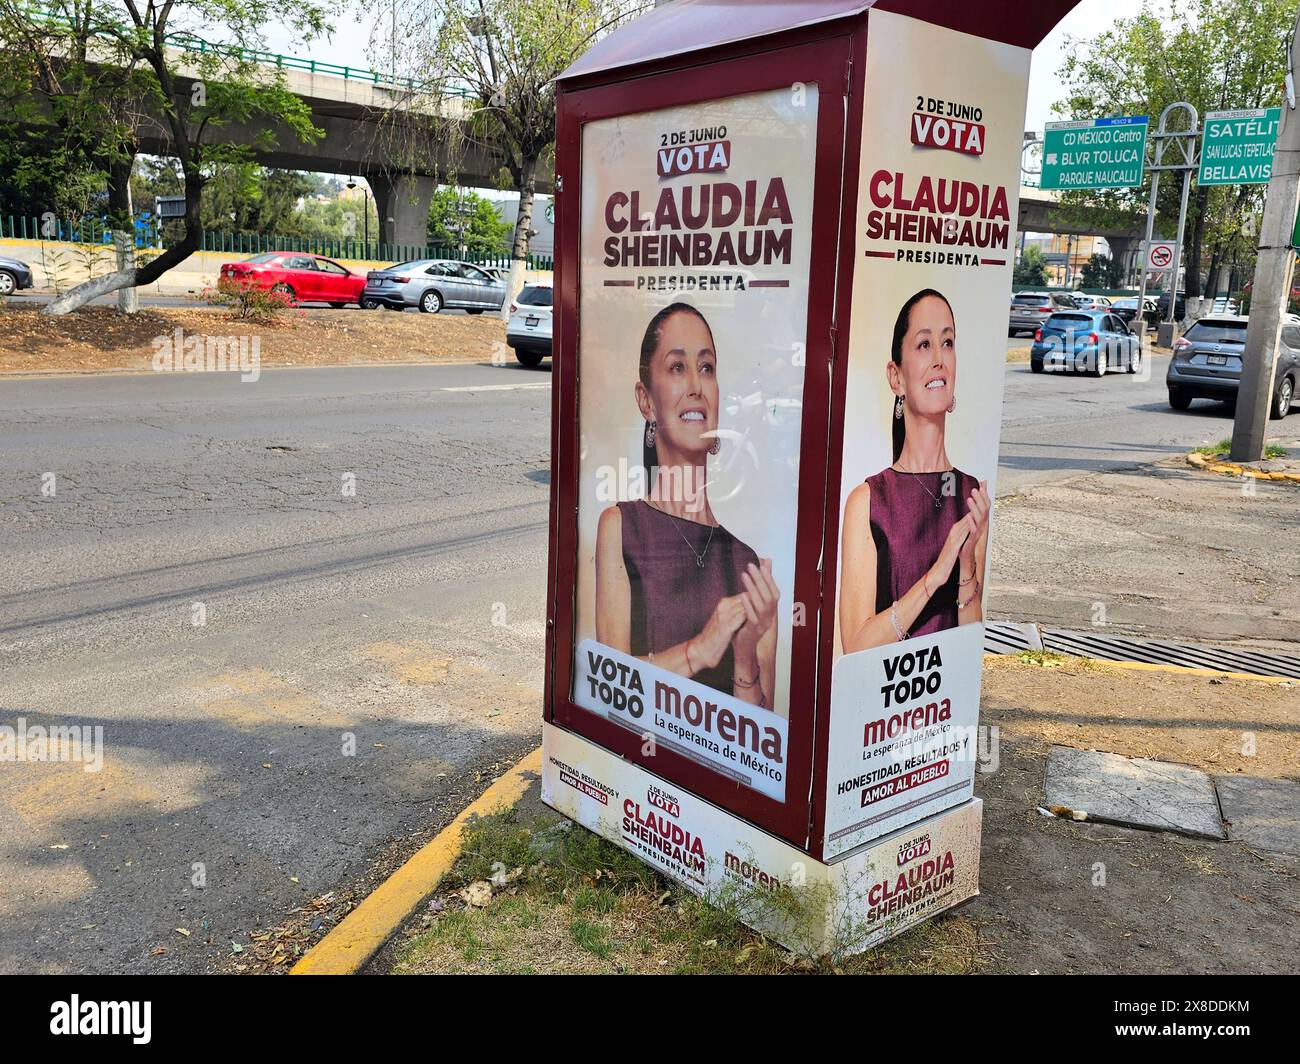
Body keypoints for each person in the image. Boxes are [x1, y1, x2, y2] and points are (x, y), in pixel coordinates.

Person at [595, 302, 779, 708]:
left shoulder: (749, 565)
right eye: (678, 368)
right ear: (646, 400)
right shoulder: (621, 528)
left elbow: (757, 747)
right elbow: (610, 692)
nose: (696, 384)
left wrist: (744, 658)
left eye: (707, 368)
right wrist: (701, 650)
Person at [840, 289, 991, 652]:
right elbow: (856, 647)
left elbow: (969, 649)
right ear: (896, 378)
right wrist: (934, 578)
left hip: (943, 705)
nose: (939, 359)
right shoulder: (868, 502)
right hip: (885, 704)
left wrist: (966, 564)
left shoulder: (971, 496)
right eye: (924, 345)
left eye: (948, 342)